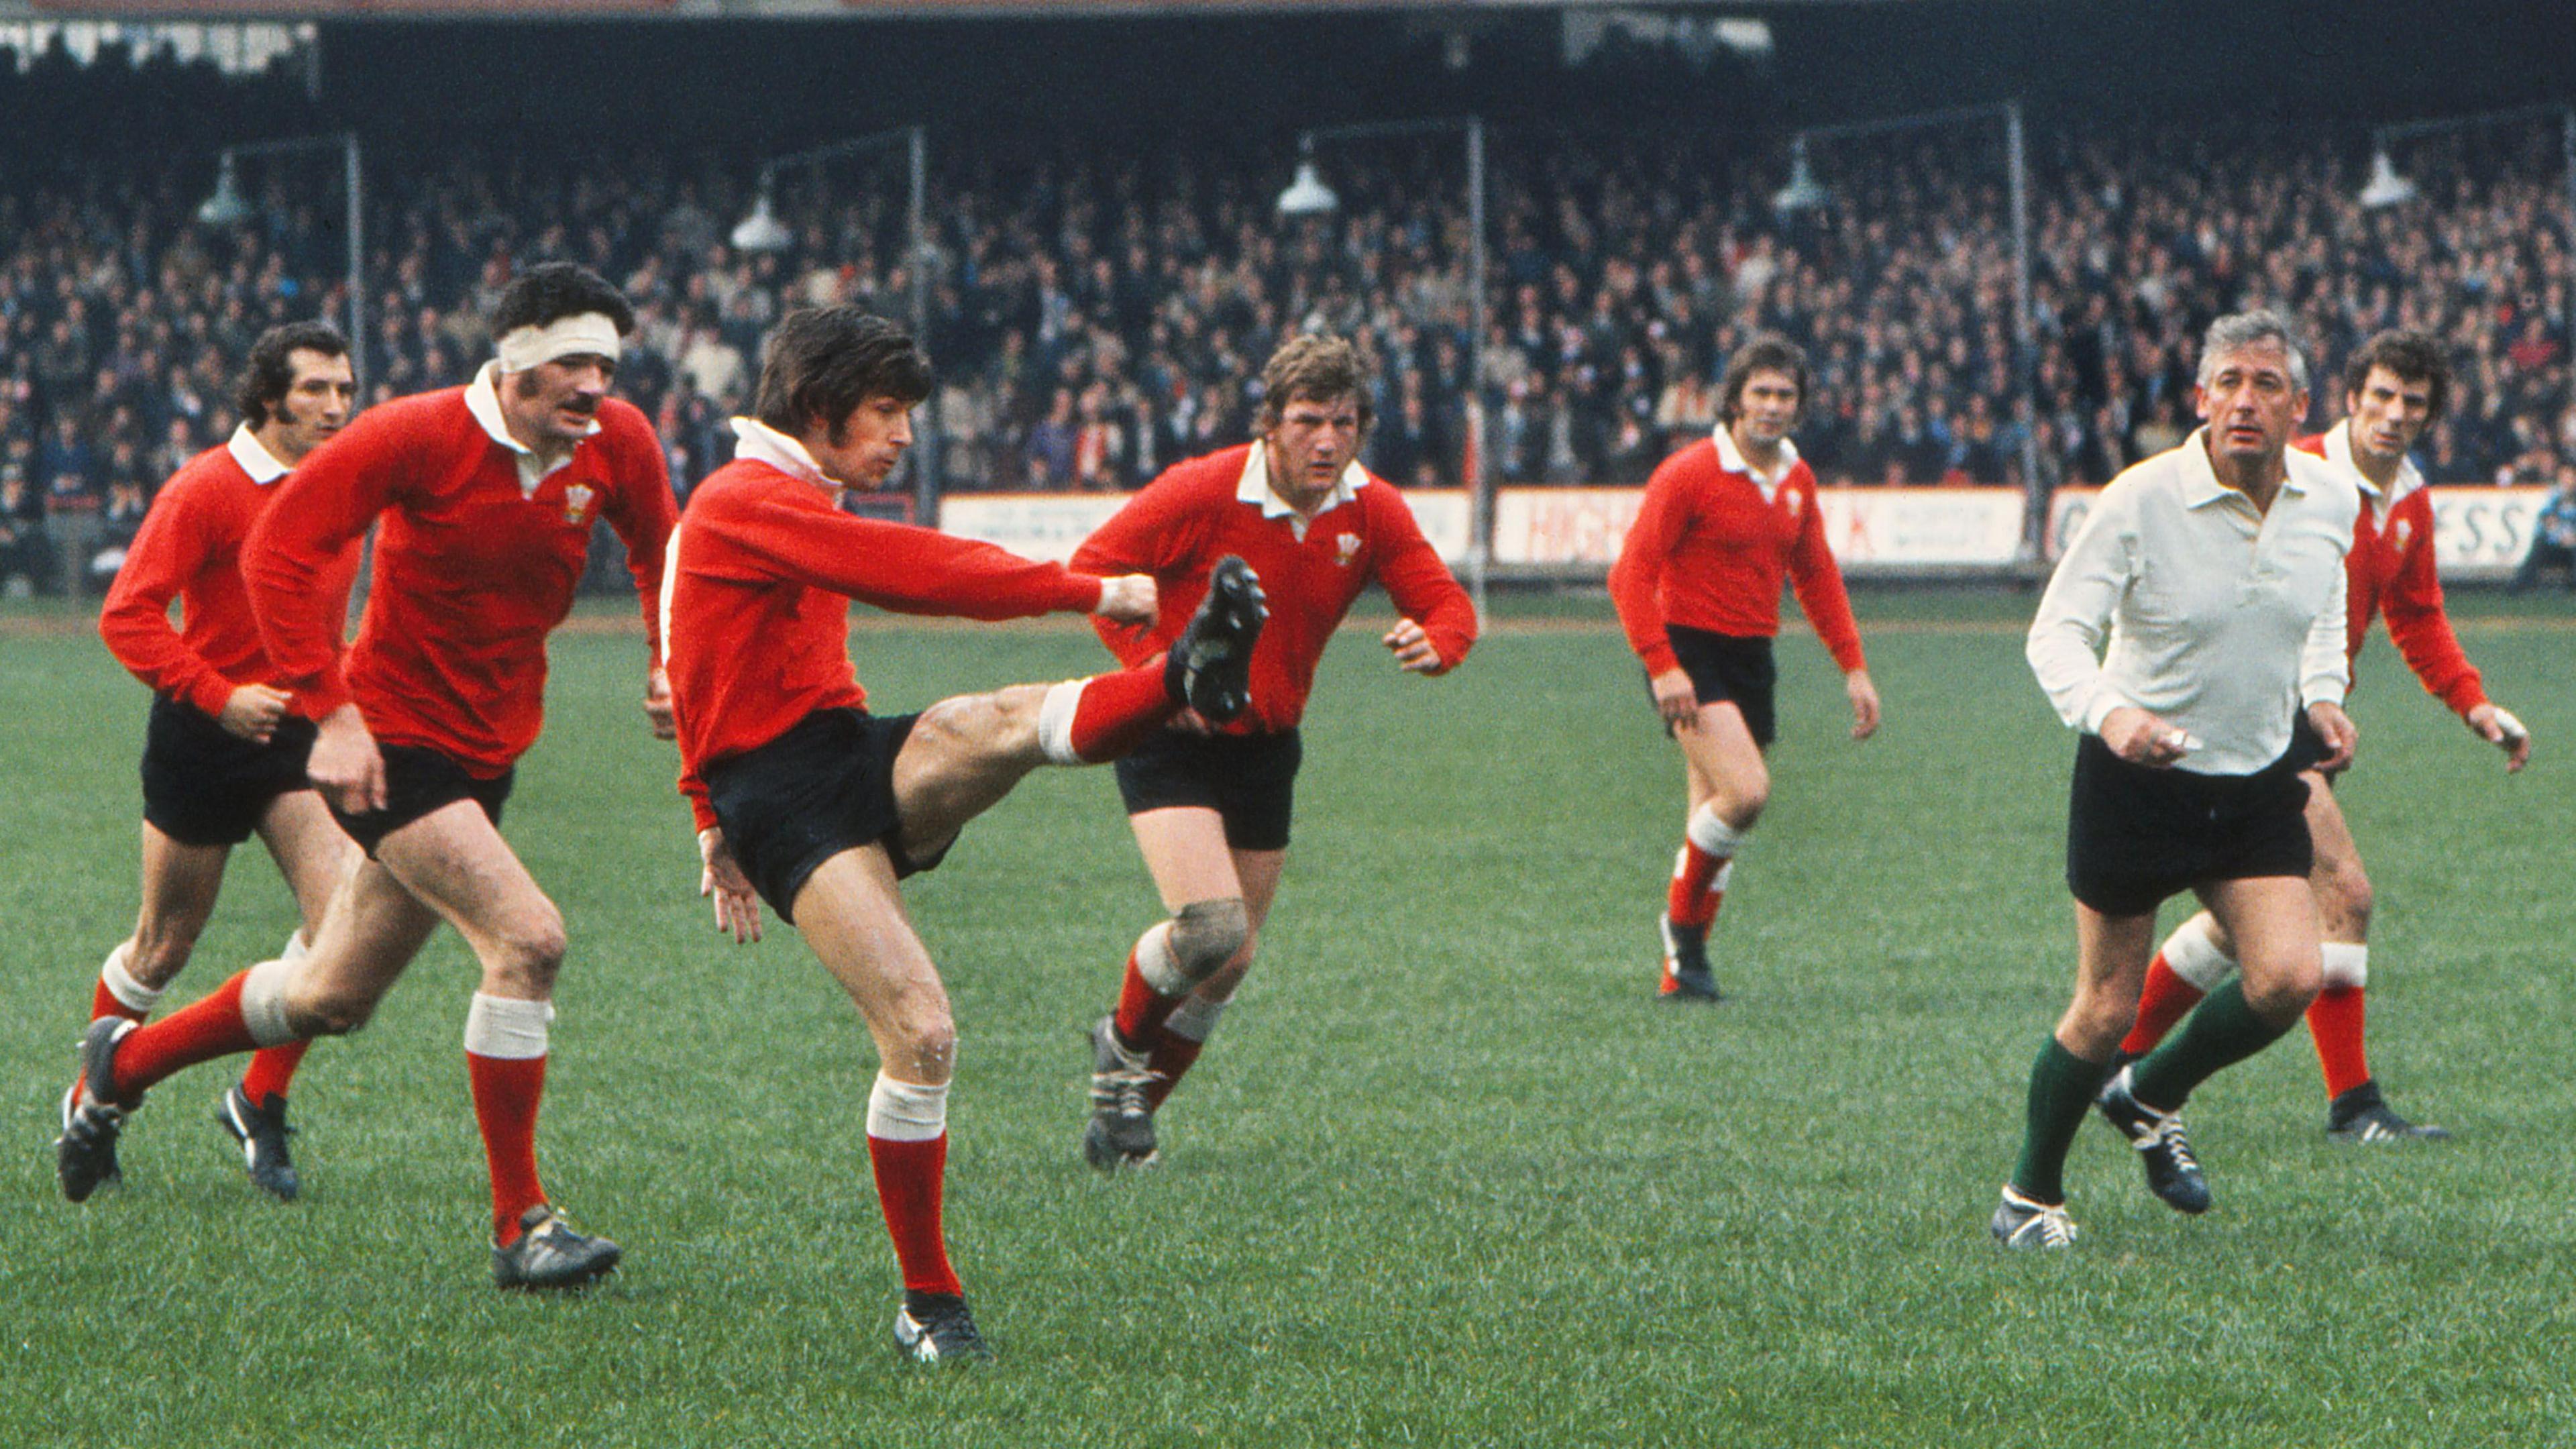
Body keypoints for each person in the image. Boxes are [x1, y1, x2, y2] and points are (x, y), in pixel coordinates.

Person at [57, 263, 680, 1293]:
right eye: (572, 363)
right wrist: (334, 712)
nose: (594, 387)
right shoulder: (416, 435)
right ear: (516, 361)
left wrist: (669, 660)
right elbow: (280, 557)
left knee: (332, 995)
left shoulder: (619, 444)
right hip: (388, 748)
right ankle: (520, 1224)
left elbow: (666, 549)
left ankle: (122, 1067)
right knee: (528, 942)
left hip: (489, 751)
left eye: (606, 365)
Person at [663, 307, 1267, 1362]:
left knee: (980, 722)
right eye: (887, 411)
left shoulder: (778, 496)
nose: (904, 433)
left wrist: (698, 812)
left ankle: (1177, 678)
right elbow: (916, 573)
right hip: (782, 799)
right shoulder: (741, 499)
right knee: (924, 1034)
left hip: (841, 748)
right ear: (819, 409)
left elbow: (689, 654)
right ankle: (928, 1306)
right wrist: (1094, 588)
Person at [1067, 333, 1477, 1175]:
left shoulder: (1371, 509)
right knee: (1210, 928)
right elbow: (1095, 568)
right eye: (1307, 421)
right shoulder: (1204, 489)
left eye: (1344, 421)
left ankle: (1126, 1121)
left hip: (1269, 745)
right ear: (1270, 425)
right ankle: (1120, 1046)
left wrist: (1442, 642)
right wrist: (1150, 672)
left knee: (1232, 962)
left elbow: (1446, 601)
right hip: (1173, 735)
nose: (1327, 440)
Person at [2112, 331, 2532, 1144]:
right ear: (2348, 398)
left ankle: (2119, 1061)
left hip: (2308, 722)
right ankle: (2353, 1107)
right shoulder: (2293, 473)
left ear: (2430, 415)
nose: (2394, 416)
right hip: (2258, 718)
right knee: (2346, 895)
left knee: (2240, 925)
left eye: (2413, 403)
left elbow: (2417, 617)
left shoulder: (2407, 500)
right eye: (2380, 397)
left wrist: (2474, 705)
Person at [1995, 311, 2359, 1250]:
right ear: (2200, 399)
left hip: (2254, 778)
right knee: (2107, 1003)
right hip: (2137, 783)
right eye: (2229, 381)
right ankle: (2029, 1197)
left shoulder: (2330, 498)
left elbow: (2325, 601)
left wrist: (2321, 694)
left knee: (2288, 978)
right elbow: (2057, 634)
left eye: (2267, 384)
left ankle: (2150, 1092)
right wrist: (2114, 716)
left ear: (2300, 406)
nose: (2246, 400)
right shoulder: (2139, 499)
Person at [72, 323, 363, 1201]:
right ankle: (94, 1106)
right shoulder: (206, 487)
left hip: (298, 736)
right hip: (204, 735)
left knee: (339, 932)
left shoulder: (346, 488)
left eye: (345, 389)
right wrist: (218, 694)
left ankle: (258, 1098)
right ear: (268, 397)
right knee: (165, 945)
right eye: (316, 389)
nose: (336, 406)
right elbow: (127, 613)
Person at [1607, 333, 1880, 1002]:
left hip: (1751, 655)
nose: (1772, 406)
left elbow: (1815, 574)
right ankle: (1682, 930)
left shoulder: (1796, 479)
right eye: (1759, 392)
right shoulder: (1688, 473)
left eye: (1785, 395)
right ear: (1732, 401)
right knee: (1747, 794)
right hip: (1687, 650)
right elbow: (1629, 574)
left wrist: (1854, 667)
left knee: (1712, 810)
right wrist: (1662, 666)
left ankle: (1683, 975)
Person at [2509, 460, 2576, 592]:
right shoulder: (2554, 497)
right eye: (2564, 477)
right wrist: (2561, 537)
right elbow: (2547, 521)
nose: (2567, 481)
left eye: (2570, 477)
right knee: (2539, 544)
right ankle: (2517, 588)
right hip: (2557, 545)